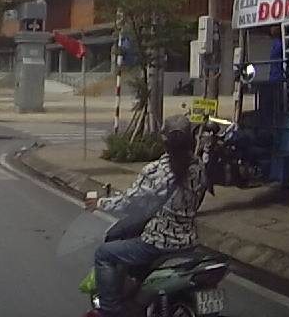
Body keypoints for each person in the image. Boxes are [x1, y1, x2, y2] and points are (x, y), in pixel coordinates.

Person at [84, 115, 208, 317]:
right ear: (191, 140)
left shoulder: (157, 170)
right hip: (189, 241)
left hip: (158, 243)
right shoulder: (199, 168)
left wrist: (100, 203)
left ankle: (110, 310)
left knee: (103, 254)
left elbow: (132, 201)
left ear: (163, 140)